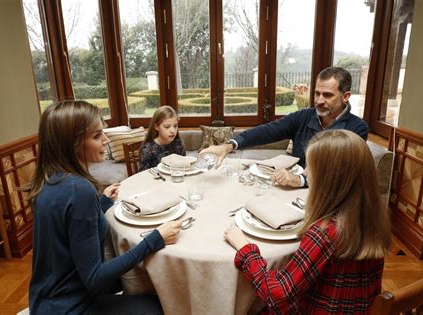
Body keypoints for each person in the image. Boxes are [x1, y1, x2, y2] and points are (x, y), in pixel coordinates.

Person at [27, 101, 182, 314]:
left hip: (46, 301)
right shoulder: (79, 191)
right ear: (72, 143)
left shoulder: (51, 179)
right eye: (97, 135)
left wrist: (100, 204)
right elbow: (95, 278)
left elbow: (71, 228)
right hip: (71, 306)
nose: (106, 140)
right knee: (164, 305)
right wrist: (155, 239)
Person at [224, 129, 391, 314]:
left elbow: (276, 294)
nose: (305, 171)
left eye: (310, 167)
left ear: (328, 179)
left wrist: (246, 251)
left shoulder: (324, 234)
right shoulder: (373, 217)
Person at [200, 66, 369, 188]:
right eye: (317, 93)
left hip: (327, 199)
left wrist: (300, 180)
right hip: (291, 190)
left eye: (327, 95)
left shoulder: (357, 129)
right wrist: (229, 145)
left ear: (346, 96)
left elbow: (340, 174)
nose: (319, 100)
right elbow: (266, 131)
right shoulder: (303, 116)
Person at [140, 105, 186, 171]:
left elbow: (184, 169)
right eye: (167, 127)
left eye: (175, 126)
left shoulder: (179, 144)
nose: (172, 131)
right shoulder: (148, 149)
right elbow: (143, 176)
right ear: (156, 127)